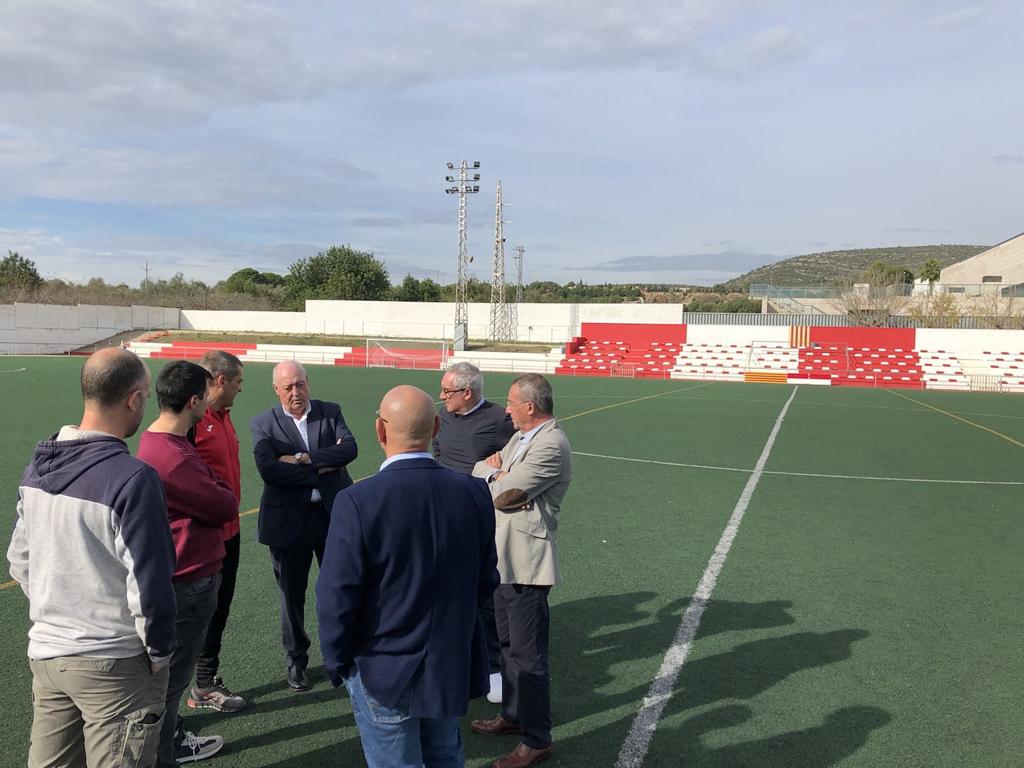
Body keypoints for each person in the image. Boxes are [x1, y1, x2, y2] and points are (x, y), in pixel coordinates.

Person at [7, 348, 175, 768]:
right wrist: (159, 653)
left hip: (48, 654)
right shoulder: (133, 478)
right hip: (113, 661)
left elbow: (20, 561)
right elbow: (150, 583)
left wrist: (59, 611)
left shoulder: (37, 469)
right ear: (134, 399)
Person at [317, 385, 499, 768]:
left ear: (380, 430)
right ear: (436, 428)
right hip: (448, 664)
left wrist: (338, 662)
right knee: (445, 754)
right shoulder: (473, 493)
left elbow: (336, 596)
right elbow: (485, 580)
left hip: (381, 669)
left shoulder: (357, 500)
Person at [138, 360, 238, 766]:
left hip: (182, 573)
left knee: (168, 681)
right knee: (171, 682)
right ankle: (165, 752)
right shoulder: (174, 456)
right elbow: (226, 503)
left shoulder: (164, 442)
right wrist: (216, 485)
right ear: (194, 401)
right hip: (188, 577)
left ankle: (168, 742)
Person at [470, 373, 573, 768]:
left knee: (529, 657)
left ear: (530, 406)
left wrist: (496, 477)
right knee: (508, 646)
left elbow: (505, 494)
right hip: (504, 560)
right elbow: (482, 470)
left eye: (512, 403)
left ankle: (537, 739)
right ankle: (513, 716)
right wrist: (494, 474)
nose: (506, 410)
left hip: (528, 565)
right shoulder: (522, 437)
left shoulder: (551, 444)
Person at [251, 360, 358, 691]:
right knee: (291, 596)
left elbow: (350, 450)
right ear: (276, 390)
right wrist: (324, 464)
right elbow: (270, 471)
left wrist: (302, 459)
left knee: (339, 589)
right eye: (288, 387)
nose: (295, 392)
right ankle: (296, 660)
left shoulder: (330, 411)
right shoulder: (264, 423)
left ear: (307, 382)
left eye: (300, 384)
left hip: (331, 517)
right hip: (288, 523)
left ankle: (341, 656)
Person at [434, 361, 515, 704]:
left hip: (480, 519)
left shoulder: (499, 420)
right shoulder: (444, 416)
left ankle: (493, 667)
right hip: (443, 515)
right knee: (443, 587)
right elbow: (438, 452)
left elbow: (518, 458)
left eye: (447, 391)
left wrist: (499, 466)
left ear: (467, 393)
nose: (441, 397)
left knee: (486, 593)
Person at [187, 351, 247, 713]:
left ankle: (205, 682)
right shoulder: (193, 421)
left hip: (231, 532)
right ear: (220, 381)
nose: (241, 389)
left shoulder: (224, 417)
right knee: (198, 612)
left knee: (219, 609)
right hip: (204, 538)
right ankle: (190, 687)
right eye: (238, 382)